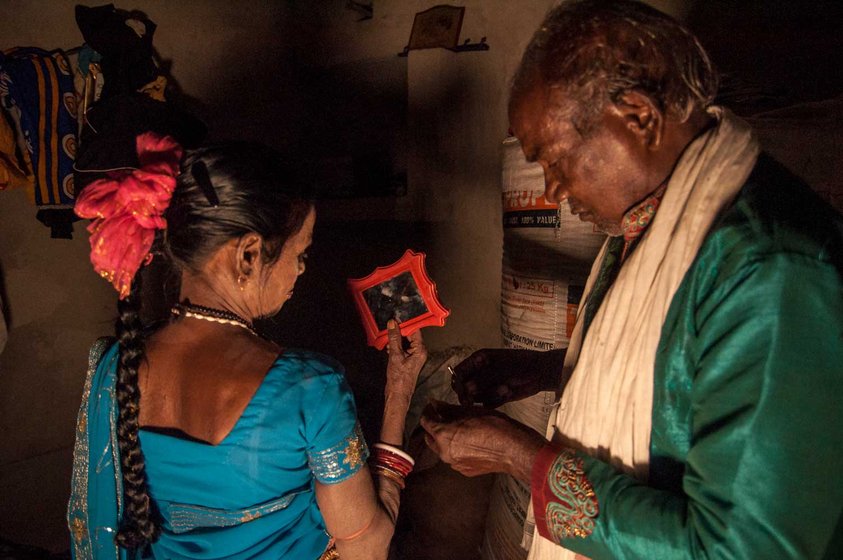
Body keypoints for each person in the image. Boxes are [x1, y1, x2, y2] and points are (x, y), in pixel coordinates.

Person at [421, 1, 843, 559]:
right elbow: (681, 372)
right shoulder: (652, 224)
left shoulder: (769, 270)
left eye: (555, 160)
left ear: (638, 116)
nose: (553, 191)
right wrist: (548, 369)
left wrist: (522, 457)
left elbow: (743, 550)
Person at [67, 133, 427, 559]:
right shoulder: (310, 388)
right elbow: (365, 547)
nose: (300, 272)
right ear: (249, 256)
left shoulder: (114, 366)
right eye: (301, 254)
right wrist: (399, 395)